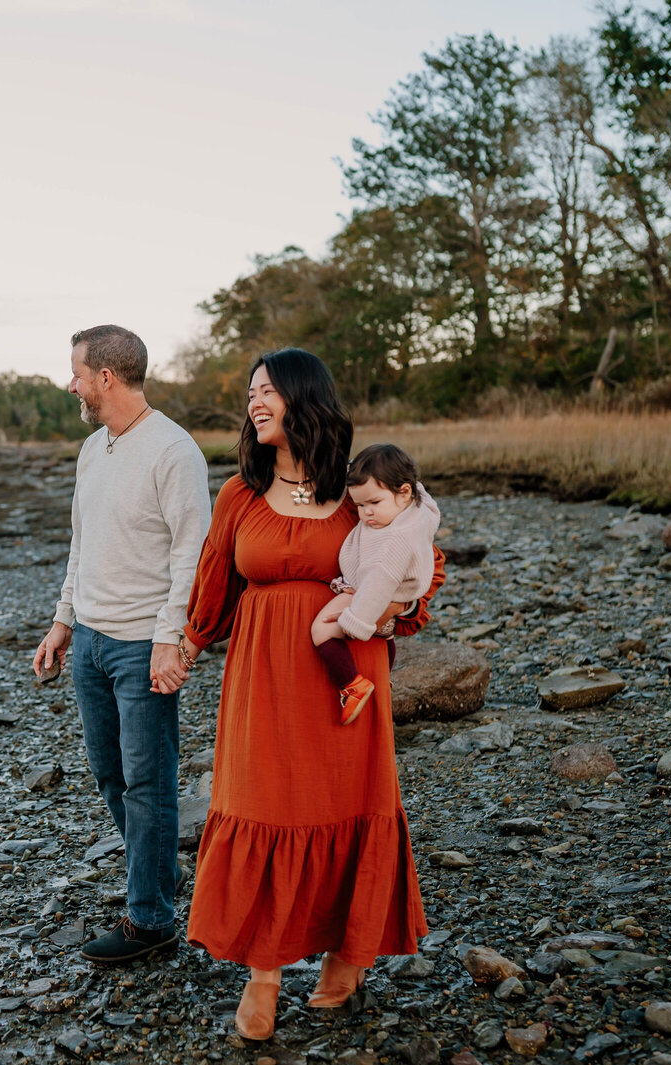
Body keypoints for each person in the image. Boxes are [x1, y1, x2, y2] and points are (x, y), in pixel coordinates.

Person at [178, 349, 444, 1040]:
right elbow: (214, 582)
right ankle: (262, 972)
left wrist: (397, 616)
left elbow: (416, 553)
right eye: (249, 393)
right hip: (262, 673)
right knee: (261, 800)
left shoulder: (357, 483)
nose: (253, 401)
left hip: (345, 676)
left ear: (304, 398)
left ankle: (347, 952)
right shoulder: (241, 491)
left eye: (266, 390)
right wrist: (184, 645)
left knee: (347, 801)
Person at [32, 324, 211, 964]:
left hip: (143, 647)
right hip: (90, 640)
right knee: (110, 774)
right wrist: (62, 620)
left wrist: (172, 641)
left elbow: (193, 556)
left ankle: (150, 919)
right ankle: (156, 873)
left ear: (106, 377)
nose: (70, 383)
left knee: (149, 782)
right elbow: (84, 543)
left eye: (76, 372)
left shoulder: (174, 451)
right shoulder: (92, 448)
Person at [311, 443, 441, 725]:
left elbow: (378, 584)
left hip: (376, 598)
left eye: (374, 503)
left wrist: (355, 621)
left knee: (321, 630)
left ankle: (351, 685)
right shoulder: (418, 508)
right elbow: (419, 490)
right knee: (387, 637)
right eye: (359, 505)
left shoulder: (394, 541)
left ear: (403, 492)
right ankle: (385, 680)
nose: (366, 513)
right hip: (389, 599)